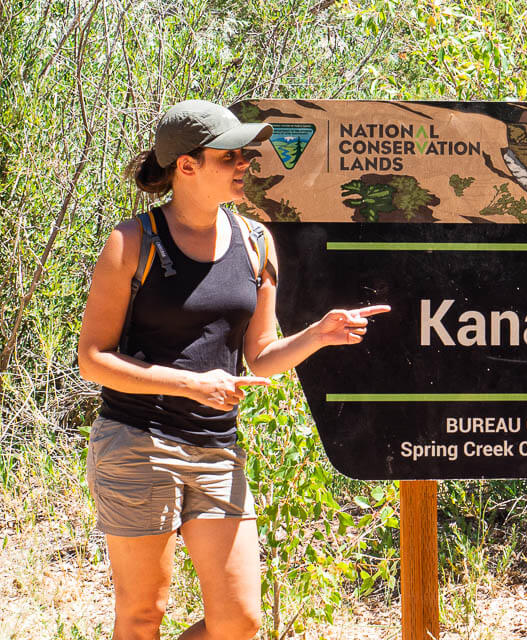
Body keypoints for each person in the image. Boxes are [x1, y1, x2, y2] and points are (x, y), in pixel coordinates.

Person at [77, 99, 389, 640]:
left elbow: (261, 356)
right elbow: (93, 359)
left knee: (240, 622)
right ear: (187, 166)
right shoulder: (131, 243)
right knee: (142, 615)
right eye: (230, 156)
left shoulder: (255, 241)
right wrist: (190, 384)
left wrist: (318, 334)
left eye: (246, 154)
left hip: (217, 449)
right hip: (137, 444)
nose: (245, 163)